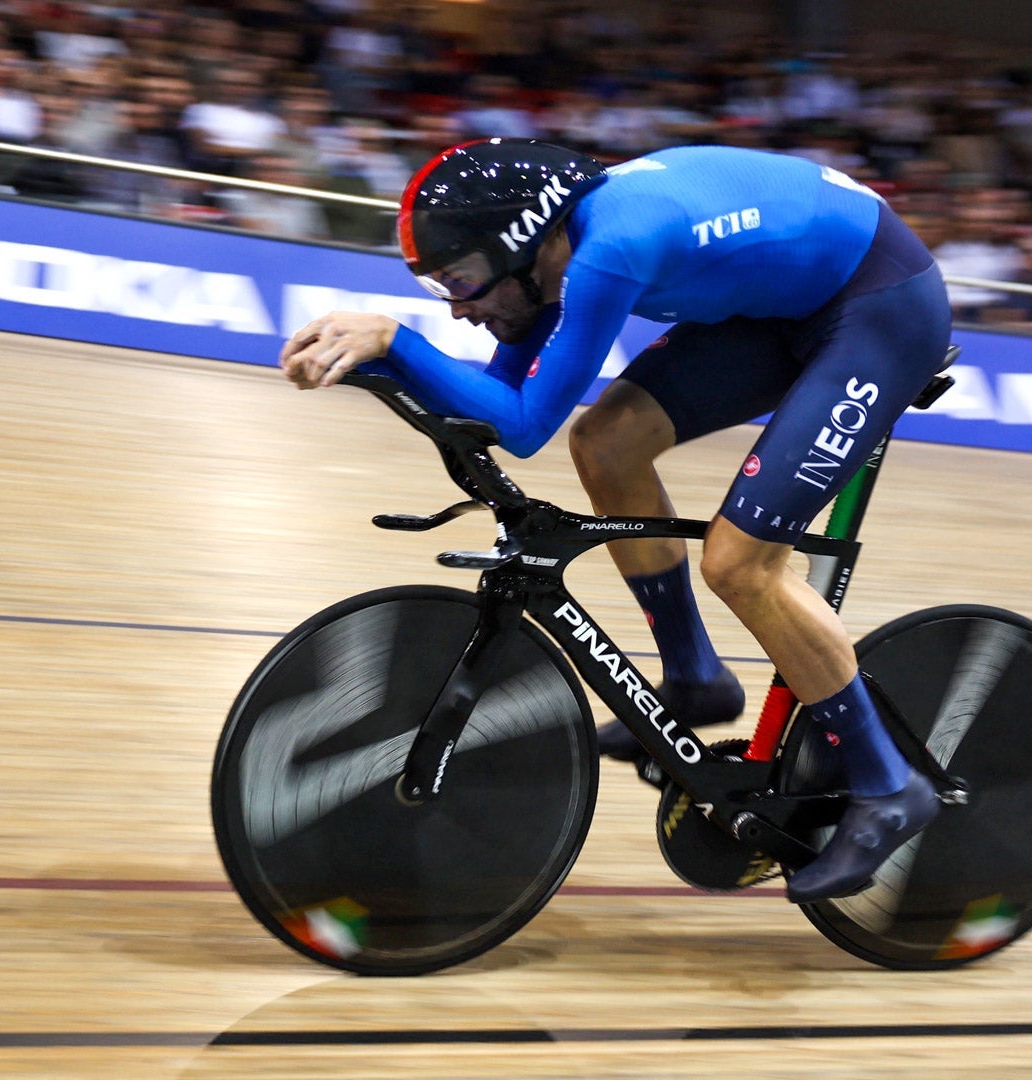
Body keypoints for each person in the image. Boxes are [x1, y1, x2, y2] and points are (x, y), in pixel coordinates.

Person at [277, 139, 954, 903]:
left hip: (878, 307)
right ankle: (696, 678)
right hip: (785, 306)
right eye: (440, 287)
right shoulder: (550, 252)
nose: (459, 308)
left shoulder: (608, 252)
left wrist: (397, 344)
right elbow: (496, 399)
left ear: (525, 243)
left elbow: (523, 424)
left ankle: (888, 785)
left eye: (461, 280)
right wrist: (374, 364)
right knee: (606, 442)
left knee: (741, 564)